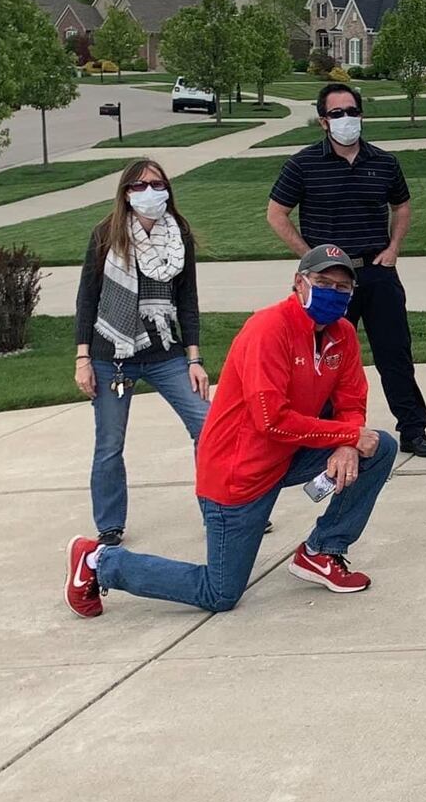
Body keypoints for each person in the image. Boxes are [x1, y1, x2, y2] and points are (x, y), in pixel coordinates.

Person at [65, 246, 399, 617]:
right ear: (298, 283)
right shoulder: (269, 328)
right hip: (238, 474)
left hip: (288, 455)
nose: (332, 294)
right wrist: (345, 436)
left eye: (342, 288)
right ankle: (99, 560)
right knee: (220, 592)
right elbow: (270, 420)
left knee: (378, 446)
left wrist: (348, 441)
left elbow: (351, 400)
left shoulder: (343, 335)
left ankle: (322, 551)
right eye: (323, 283)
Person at [266, 82, 426, 457]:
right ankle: (321, 433)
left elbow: (403, 206)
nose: (346, 119)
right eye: (337, 113)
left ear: (361, 115)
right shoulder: (303, 164)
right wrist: (310, 258)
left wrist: (394, 248)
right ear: (323, 121)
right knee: (321, 359)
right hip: (328, 281)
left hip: (376, 271)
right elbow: (276, 214)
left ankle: (413, 429)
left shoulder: (384, 162)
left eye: (352, 112)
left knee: (395, 353)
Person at [73, 159, 209, 547]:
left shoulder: (178, 235)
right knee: (110, 443)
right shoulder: (107, 233)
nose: (149, 192)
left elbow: (188, 300)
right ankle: (110, 525)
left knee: (208, 426)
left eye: (156, 183)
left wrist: (194, 359)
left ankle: (220, 507)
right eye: (139, 186)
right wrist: (83, 358)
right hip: (110, 354)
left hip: (166, 352)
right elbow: (87, 299)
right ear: (125, 194)